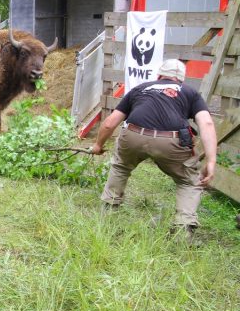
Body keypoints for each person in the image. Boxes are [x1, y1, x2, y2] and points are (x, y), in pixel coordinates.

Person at [90, 59, 217, 239]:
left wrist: (97, 145)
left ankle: (107, 214)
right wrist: (211, 160)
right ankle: (183, 230)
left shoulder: (140, 89)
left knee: (120, 167)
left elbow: (110, 123)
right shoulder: (190, 93)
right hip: (171, 142)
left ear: (158, 76)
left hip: (133, 135)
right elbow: (207, 123)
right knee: (188, 181)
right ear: (181, 80)